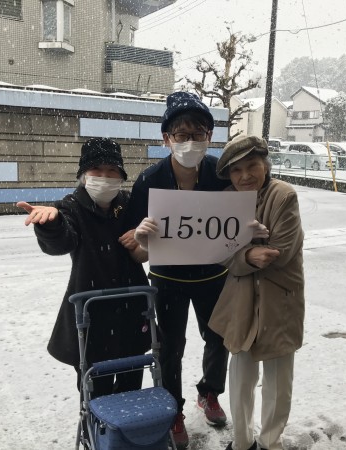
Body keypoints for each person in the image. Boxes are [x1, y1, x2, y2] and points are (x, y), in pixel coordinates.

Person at [127, 91, 231, 449]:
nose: (190, 142)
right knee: (170, 346)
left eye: (198, 133)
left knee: (219, 337)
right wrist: (140, 237)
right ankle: (173, 410)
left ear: (209, 136)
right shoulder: (149, 180)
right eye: (181, 134)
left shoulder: (221, 174)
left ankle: (209, 392)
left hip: (213, 276)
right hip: (167, 279)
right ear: (166, 138)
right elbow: (133, 241)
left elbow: (238, 217)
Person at [16, 138, 151, 399]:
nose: (104, 177)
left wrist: (144, 236)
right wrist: (51, 225)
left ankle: (127, 424)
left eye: (112, 170)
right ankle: (94, 425)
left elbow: (142, 251)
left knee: (132, 384)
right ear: (83, 175)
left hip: (132, 310)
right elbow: (61, 242)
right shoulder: (71, 206)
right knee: (95, 389)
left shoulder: (128, 203)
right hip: (90, 315)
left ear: (121, 176)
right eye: (96, 170)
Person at [209, 135, 305, 450]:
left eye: (252, 166)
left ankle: (270, 442)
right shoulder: (226, 199)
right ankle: (241, 442)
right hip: (241, 298)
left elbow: (280, 252)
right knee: (240, 375)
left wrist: (240, 250)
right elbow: (217, 250)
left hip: (280, 298)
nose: (245, 176)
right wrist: (247, 254)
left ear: (265, 165)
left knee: (278, 380)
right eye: (236, 171)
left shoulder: (283, 195)